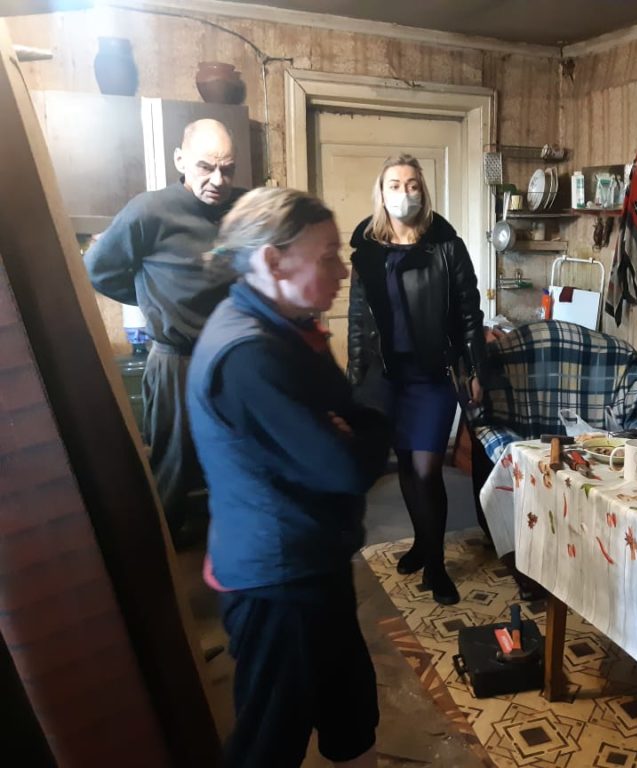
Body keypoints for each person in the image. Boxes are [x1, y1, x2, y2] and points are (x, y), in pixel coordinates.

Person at [187, 187, 390, 768]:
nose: (343, 270)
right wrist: (367, 430)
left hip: (314, 560)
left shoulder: (286, 326)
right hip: (277, 580)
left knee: (350, 713)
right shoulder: (249, 354)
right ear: (273, 261)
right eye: (328, 256)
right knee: (269, 743)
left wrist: (356, 427)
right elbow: (346, 467)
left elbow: (352, 416)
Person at [85, 118, 244, 544]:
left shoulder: (245, 208)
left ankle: (235, 544)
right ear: (180, 160)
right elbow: (98, 271)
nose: (217, 180)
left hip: (235, 361)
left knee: (238, 457)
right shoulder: (148, 211)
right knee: (172, 467)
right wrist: (154, 299)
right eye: (205, 166)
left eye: (227, 169)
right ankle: (161, 556)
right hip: (178, 361)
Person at [348, 154, 486, 606]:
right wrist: (356, 378)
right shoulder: (368, 250)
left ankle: (437, 564)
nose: (404, 193)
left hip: (433, 375)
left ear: (422, 192)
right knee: (406, 464)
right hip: (388, 376)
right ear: (381, 191)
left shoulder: (447, 245)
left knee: (427, 470)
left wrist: (475, 368)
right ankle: (423, 543)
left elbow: (469, 311)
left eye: (412, 185)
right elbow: (358, 321)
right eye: (394, 184)